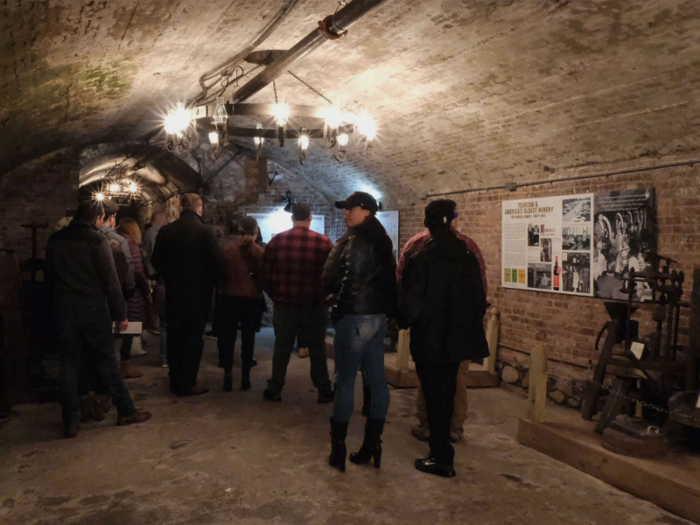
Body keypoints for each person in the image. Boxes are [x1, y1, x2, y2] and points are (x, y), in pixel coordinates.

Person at [45, 200, 151, 438]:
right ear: (96, 219)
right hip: (92, 309)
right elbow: (111, 281)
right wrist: (121, 315)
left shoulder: (56, 240)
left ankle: (70, 421)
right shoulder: (96, 240)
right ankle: (125, 411)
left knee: (69, 364)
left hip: (64, 309)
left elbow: (49, 277)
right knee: (107, 362)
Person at [398, 200, 488, 477]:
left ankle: (440, 456)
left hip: (430, 339)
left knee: (433, 395)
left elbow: (411, 304)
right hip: (458, 338)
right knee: (448, 391)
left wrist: (401, 320)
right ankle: (444, 447)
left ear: (428, 224)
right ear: (452, 222)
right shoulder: (467, 256)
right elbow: (479, 299)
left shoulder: (421, 258)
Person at [323, 192, 396, 472]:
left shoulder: (358, 240)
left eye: (349, 209)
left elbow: (350, 279)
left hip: (355, 316)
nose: (345, 213)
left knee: (344, 381)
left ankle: (338, 449)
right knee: (377, 382)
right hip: (376, 317)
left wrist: (337, 304)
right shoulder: (381, 238)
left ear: (365, 211)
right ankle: (371, 445)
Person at [260, 203, 334, 403]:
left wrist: (276, 295)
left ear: (292, 218)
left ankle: (275, 389)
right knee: (317, 349)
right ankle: (323, 390)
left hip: (285, 306)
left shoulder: (277, 242)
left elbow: (264, 276)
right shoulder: (324, 242)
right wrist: (324, 297)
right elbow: (333, 275)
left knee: (282, 348)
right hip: (314, 306)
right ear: (310, 218)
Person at [152, 194, 224, 397]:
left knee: (175, 337)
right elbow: (217, 264)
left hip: (174, 293)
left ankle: (175, 380)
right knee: (193, 339)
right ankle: (188, 382)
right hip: (198, 295)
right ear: (199, 209)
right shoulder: (204, 232)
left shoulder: (167, 230)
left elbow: (156, 261)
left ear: (182, 208)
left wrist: (171, 275)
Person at [218, 216, 265, 392]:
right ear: (255, 231)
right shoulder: (260, 252)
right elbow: (264, 277)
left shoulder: (227, 250)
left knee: (228, 338)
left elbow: (220, 274)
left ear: (239, 230)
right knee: (248, 339)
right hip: (251, 299)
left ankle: (228, 376)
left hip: (229, 297)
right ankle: (245, 378)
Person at [116, 217, 151, 379]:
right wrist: (146, 291)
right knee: (129, 330)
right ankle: (125, 365)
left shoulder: (116, 242)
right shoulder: (132, 245)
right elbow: (136, 271)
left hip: (118, 291)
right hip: (132, 293)